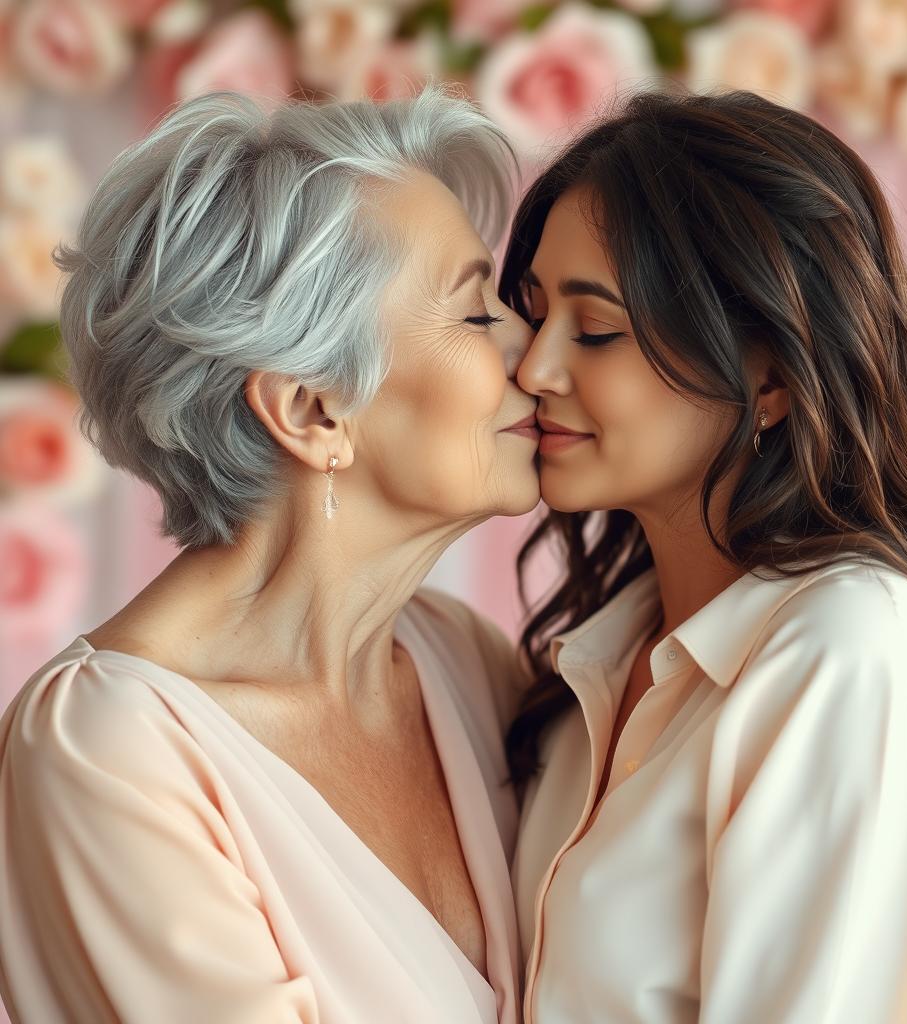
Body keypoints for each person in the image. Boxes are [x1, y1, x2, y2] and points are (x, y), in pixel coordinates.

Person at [0, 86, 539, 1024]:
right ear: (310, 410)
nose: (536, 354)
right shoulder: (107, 748)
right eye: (479, 315)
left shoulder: (465, 660)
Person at [500, 88, 907, 1024]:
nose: (534, 370)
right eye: (532, 316)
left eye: (596, 329)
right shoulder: (597, 669)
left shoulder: (853, 655)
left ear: (771, 376)